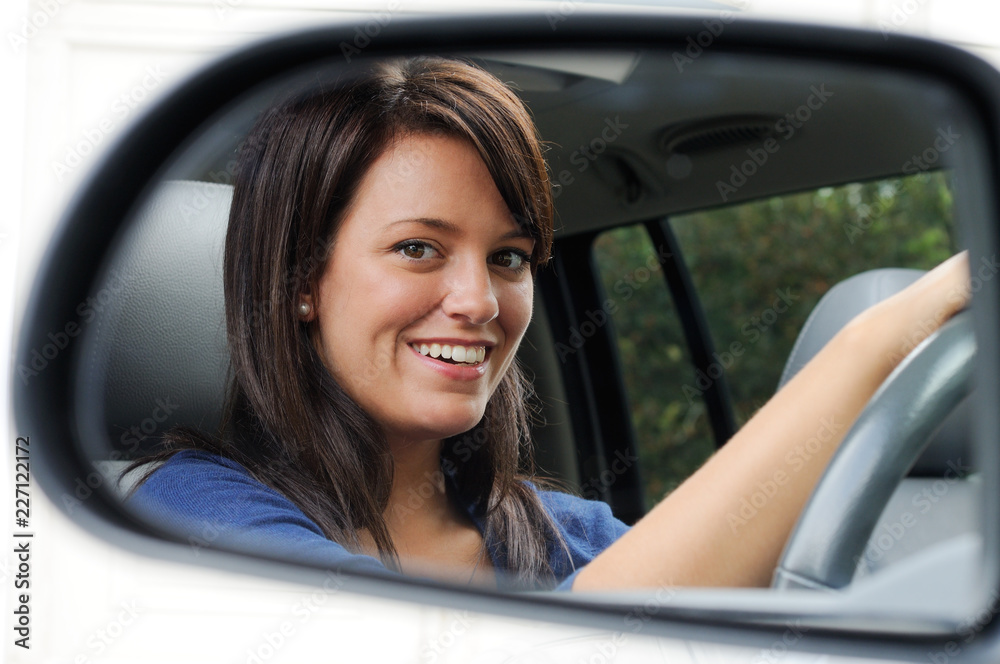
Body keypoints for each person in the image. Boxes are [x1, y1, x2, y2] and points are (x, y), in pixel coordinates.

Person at [126, 56, 972, 592]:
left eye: (509, 257)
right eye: (420, 248)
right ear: (300, 279)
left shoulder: (562, 532)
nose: (480, 302)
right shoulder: (191, 512)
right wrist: (877, 339)